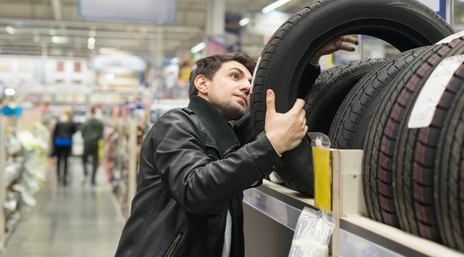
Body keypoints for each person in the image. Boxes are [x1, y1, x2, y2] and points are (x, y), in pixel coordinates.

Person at [114, 36, 358, 257]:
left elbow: (278, 106)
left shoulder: (228, 136)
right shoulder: (175, 124)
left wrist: (308, 58)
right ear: (202, 83)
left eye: (250, 81)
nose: (247, 86)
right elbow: (195, 189)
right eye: (234, 76)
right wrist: (271, 144)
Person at [79, 107, 104, 186]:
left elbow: (82, 132)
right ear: (95, 112)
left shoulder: (86, 122)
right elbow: (101, 134)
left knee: (84, 158)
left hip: (87, 143)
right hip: (95, 144)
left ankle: (85, 173)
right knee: (95, 161)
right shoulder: (99, 123)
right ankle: (93, 179)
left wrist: (85, 138)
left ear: (90, 113)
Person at [52, 113, 77, 186]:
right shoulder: (71, 124)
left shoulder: (58, 124)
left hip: (59, 143)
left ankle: (58, 176)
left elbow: (54, 133)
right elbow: (74, 131)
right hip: (67, 143)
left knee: (59, 160)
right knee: (66, 160)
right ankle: (65, 176)